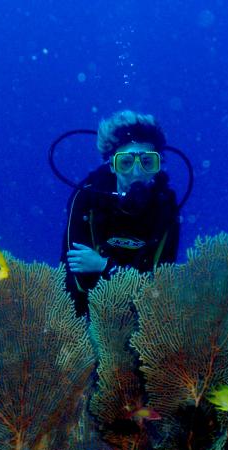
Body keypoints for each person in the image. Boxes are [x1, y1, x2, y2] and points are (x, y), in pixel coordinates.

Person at [60, 110, 180, 316]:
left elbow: (158, 283)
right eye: (126, 162)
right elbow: (78, 279)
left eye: (147, 162)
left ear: (158, 165)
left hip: (139, 314)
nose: (137, 172)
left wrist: (103, 265)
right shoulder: (87, 198)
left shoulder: (165, 208)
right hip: (81, 308)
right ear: (112, 165)